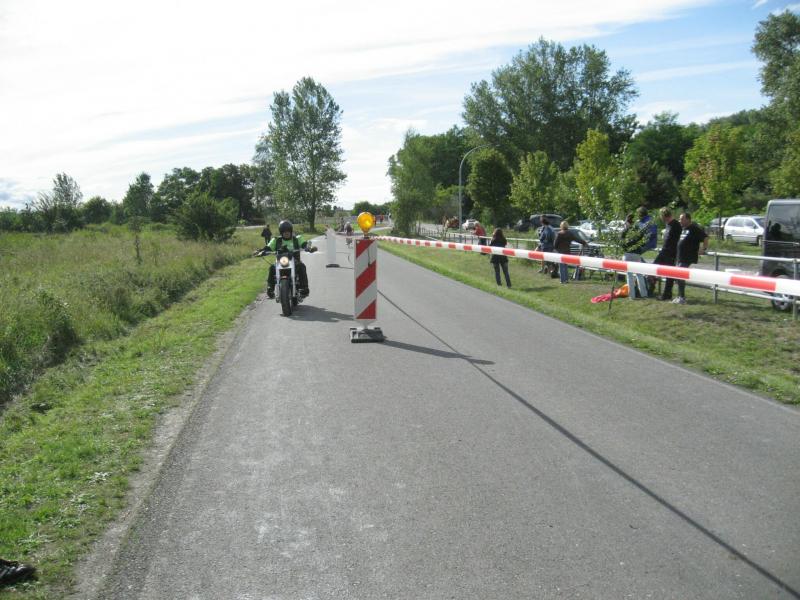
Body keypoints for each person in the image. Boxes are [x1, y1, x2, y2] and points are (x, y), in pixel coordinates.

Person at [266, 220, 314, 299]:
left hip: (295, 262)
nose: (286, 233)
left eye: (288, 231)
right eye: (284, 231)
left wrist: (308, 248)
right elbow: (268, 247)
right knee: (272, 267)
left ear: (291, 231)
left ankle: (304, 288)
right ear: (281, 232)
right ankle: (270, 288)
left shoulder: (297, 238)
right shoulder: (276, 240)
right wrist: (261, 251)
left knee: (302, 266)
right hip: (280, 262)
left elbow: (304, 244)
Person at [671, 212, 709, 305]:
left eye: (682, 219)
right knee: (677, 276)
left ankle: (682, 298)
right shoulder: (683, 229)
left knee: (680, 275)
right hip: (680, 256)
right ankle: (679, 296)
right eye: (679, 219)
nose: (680, 221)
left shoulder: (694, 228)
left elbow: (705, 238)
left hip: (688, 257)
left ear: (688, 219)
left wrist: (703, 249)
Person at [654, 207, 683, 301]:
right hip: (664, 251)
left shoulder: (676, 225)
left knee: (669, 275)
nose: (660, 218)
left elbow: (677, 240)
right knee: (653, 268)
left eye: (661, 216)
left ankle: (667, 294)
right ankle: (650, 288)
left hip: (671, 253)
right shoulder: (668, 225)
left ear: (664, 216)